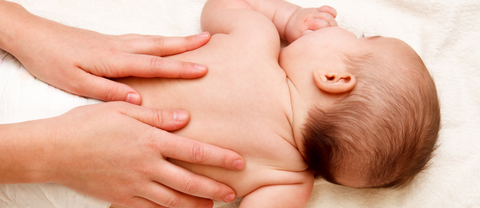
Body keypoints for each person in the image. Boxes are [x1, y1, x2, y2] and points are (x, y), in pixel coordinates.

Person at [116, 0, 441, 207]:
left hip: (97, 85)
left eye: (358, 38)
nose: (344, 30)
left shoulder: (257, 39)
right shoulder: (287, 181)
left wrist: (288, 17)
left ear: (333, 77)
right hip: (107, 175)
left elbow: (222, 5)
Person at [0, 1, 246, 208]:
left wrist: (20, 28)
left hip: (99, 172)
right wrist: (53, 154)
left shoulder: (283, 176)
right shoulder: (258, 41)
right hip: (63, 167)